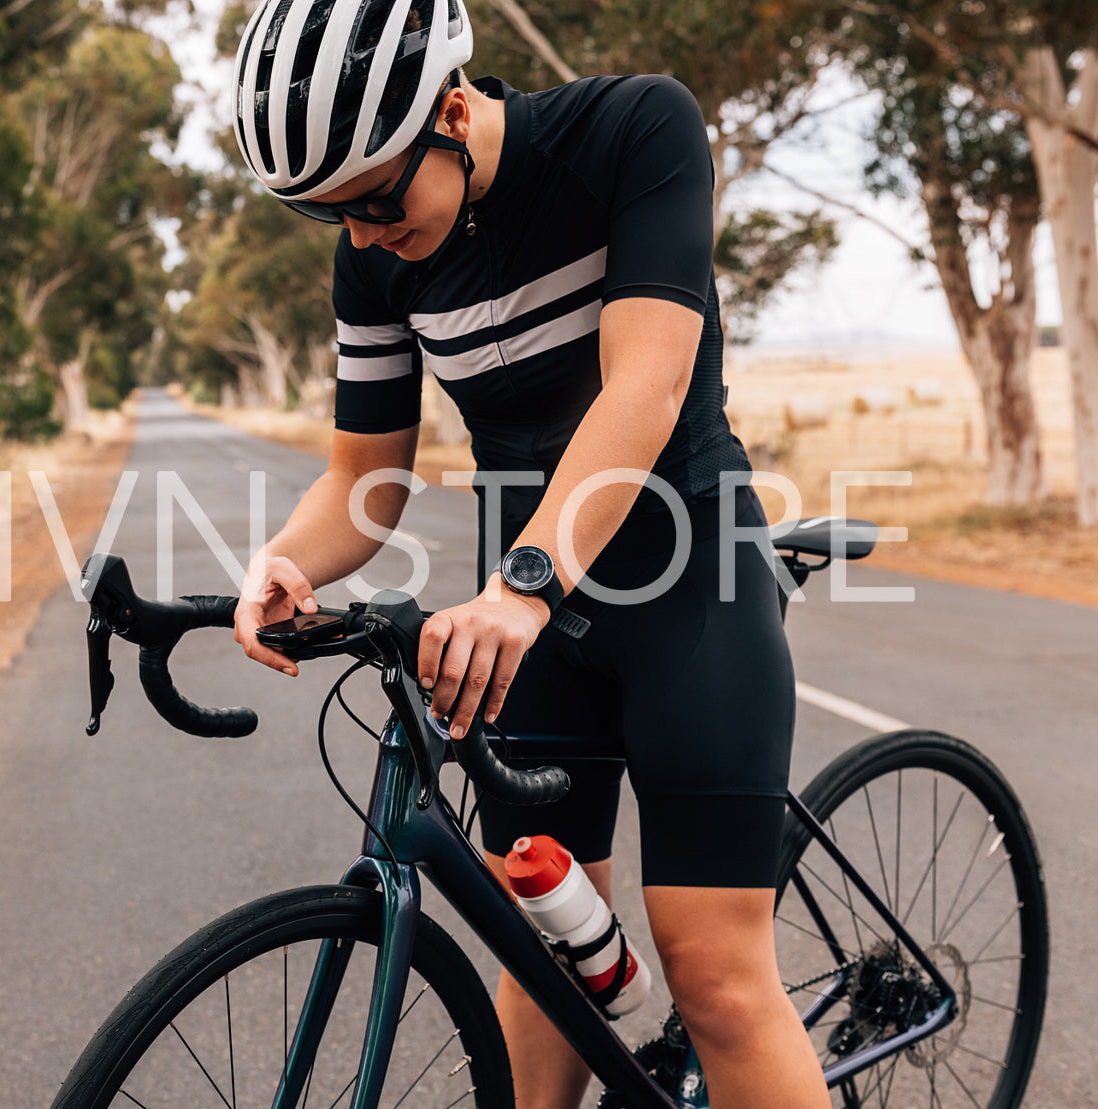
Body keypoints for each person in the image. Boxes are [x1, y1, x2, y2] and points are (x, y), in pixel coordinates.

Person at [228, 1, 830, 1106]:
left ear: (452, 111)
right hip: (531, 614)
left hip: (683, 576)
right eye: (330, 216)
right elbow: (365, 478)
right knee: (544, 968)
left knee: (714, 975)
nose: (360, 235)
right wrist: (286, 563)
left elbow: (642, 388)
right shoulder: (375, 258)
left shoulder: (633, 130)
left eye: (371, 200)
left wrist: (523, 586)